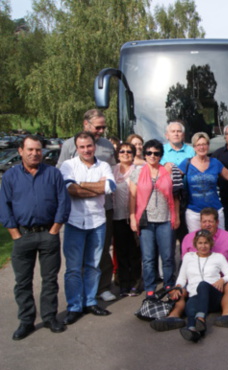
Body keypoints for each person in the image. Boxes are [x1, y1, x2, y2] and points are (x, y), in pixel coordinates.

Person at [149, 208, 228, 332]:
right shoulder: (189, 248)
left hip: (217, 289)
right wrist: (178, 287)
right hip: (194, 292)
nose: (207, 224)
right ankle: (174, 319)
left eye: (210, 221)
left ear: (217, 222)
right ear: (195, 244)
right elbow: (183, 274)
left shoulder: (224, 248)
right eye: (204, 221)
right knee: (182, 293)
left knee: (226, 285)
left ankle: (224, 317)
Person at [0, 135, 71, 340]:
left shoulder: (53, 174)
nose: (35, 153)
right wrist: (14, 233)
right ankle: (26, 321)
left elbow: (62, 202)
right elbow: (4, 206)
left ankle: (49, 317)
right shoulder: (11, 177)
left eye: (38, 149)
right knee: (22, 282)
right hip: (22, 236)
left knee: (49, 280)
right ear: (20, 151)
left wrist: (55, 229)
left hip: (48, 233)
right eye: (30, 150)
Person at [57, 109, 117, 303]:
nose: (101, 130)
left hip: (103, 209)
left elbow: (111, 181)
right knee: (77, 259)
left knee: (101, 251)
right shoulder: (69, 146)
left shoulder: (107, 146)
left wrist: (82, 185)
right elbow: (65, 183)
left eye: (103, 127)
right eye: (98, 127)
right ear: (86, 125)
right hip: (76, 213)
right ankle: (78, 298)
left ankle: (102, 287)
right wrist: (96, 187)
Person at [129, 139, 180, 299]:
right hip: (146, 220)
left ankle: (169, 285)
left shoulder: (169, 171)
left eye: (156, 153)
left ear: (160, 155)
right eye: (149, 153)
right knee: (148, 257)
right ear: (144, 154)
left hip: (165, 219)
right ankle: (150, 288)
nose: (152, 156)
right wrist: (132, 217)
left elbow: (176, 196)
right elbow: (132, 198)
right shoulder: (137, 172)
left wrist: (176, 216)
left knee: (167, 256)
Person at [174, 230, 228, 342]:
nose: (203, 246)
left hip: (213, 296)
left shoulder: (218, 257)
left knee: (203, 285)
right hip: (195, 296)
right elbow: (182, 277)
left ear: (211, 244)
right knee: (190, 306)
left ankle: (201, 318)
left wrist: (223, 280)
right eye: (200, 243)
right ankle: (194, 331)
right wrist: (178, 286)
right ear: (195, 244)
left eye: (206, 243)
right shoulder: (188, 257)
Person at [179, 132, 228, 233]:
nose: (201, 147)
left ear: (208, 146)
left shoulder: (215, 162)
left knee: (219, 242)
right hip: (194, 212)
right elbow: (174, 177)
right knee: (197, 243)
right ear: (194, 147)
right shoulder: (186, 163)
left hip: (215, 210)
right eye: (198, 145)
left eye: (204, 144)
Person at [112, 143, 142, 297]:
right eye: (122, 151)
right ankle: (123, 283)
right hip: (117, 217)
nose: (125, 154)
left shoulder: (138, 170)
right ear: (117, 154)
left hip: (134, 216)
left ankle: (136, 283)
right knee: (120, 251)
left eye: (129, 151)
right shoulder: (112, 170)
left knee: (134, 251)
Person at [160, 121, 195, 244]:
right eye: (173, 131)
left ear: (183, 135)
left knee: (186, 235)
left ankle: (185, 261)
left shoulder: (191, 151)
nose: (176, 134)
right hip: (167, 198)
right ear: (167, 135)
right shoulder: (160, 151)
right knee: (169, 237)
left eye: (179, 131)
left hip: (189, 196)